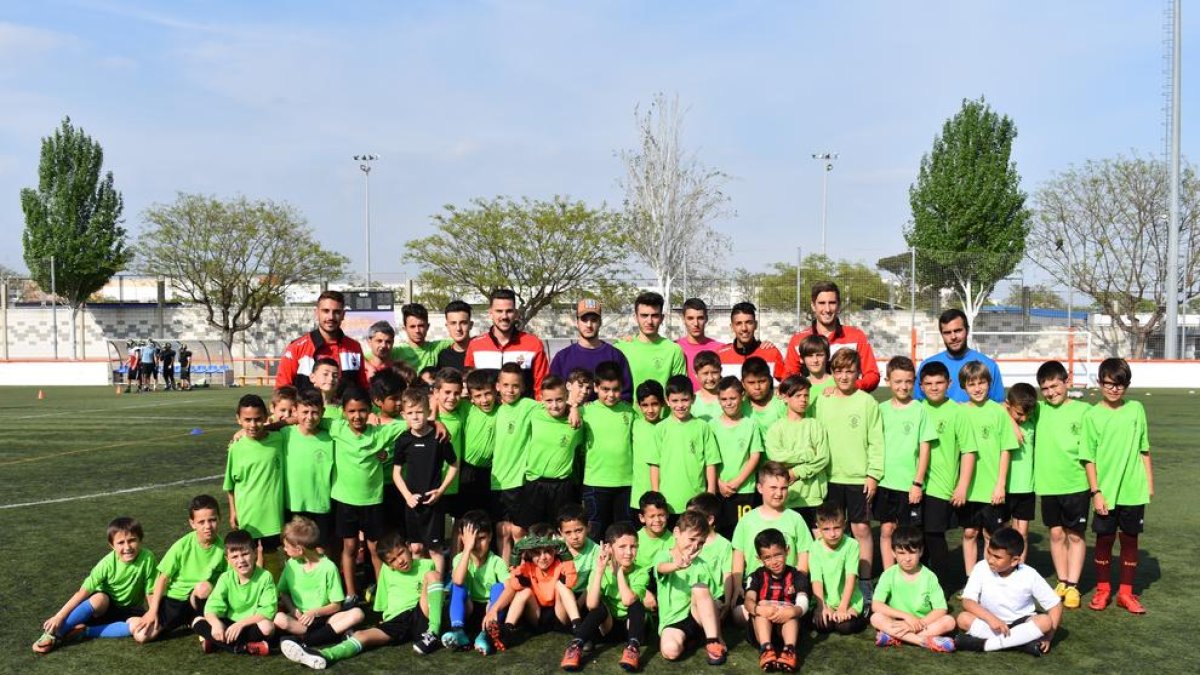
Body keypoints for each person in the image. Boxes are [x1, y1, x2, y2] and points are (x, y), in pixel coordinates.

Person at [280, 532, 446, 667]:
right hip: (397, 620)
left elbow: (434, 592)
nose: (400, 561)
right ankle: (324, 655)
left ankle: (432, 633)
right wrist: (384, 620)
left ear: (408, 548)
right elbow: (382, 603)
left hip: (420, 613)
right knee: (362, 635)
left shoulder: (426, 565)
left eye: (401, 553)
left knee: (433, 575)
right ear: (387, 565)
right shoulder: (387, 573)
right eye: (393, 560)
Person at [1083, 357, 1153, 614]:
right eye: (1109, 384)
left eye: (1119, 385)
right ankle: (1103, 590)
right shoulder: (1092, 415)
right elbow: (1088, 457)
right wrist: (1096, 492)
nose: (1114, 389)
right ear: (1100, 383)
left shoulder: (1136, 409)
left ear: (1127, 385)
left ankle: (1126, 593)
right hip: (1106, 492)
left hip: (1133, 490)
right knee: (1104, 540)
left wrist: (1149, 484)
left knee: (1130, 541)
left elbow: (1144, 449)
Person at [327, 387, 408, 604]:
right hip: (345, 501)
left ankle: (383, 592)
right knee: (350, 548)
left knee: (374, 548)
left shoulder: (380, 433)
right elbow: (305, 419)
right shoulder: (336, 428)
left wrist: (436, 423)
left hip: (372, 500)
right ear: (343, 412)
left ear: (370, 410)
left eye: (362, 410)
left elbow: (413, 422)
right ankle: (351, 593)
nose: (357, 416)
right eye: (351, 411)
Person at [813, 348, 882, 600]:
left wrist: (873, 474)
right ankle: (832, 580)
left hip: (857, 478)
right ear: (832, 373)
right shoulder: (823, 399)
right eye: (839, 371)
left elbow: (876, 441)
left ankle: (864, 581)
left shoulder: (867, 402)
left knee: (861, 529)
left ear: (858, 373)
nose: (844, 376)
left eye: (849, 371)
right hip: (828, 477)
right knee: (827, 531)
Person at [32, 517, 157, 652]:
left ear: (140, 539)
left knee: (143, 633)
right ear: (112, 545)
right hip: (104, 610)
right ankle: (55, 633)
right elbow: (82, 592)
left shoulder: (148, 558)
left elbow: (150, 592)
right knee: (99, 598)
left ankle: (86, 631)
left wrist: (153, 614)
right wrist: (59, 616)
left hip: (131, 611)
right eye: (121, 542)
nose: (127, 547)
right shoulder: (106, 564)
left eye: (132, 540)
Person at [1032, 360, 1091, 609]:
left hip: (1076, 483)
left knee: (1075, 535)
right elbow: (1009, 408)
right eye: (1044, 388)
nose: (1050, 393)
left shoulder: (1085, 410)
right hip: (1048, 484)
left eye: (1055, 386)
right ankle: (1062, 581)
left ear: (1067, 382)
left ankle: (1074, 586)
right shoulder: (1037, 409)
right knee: (1056, 534)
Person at [559, 522, 652, 672]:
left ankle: (633, 648)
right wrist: (600, 570)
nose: (629, 552)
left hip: (633, 627)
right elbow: (591, 604)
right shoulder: (600, 570)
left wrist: (619, 573)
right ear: (609, 548)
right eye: (622, 547)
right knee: (599, 608)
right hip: (609, 627)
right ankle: (576, 646)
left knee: (636, 605)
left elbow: (628, 600)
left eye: (633, 546)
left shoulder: (641, 572)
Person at [954, 527, 1062, 656]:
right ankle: (1022, 643)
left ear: (1014, 560)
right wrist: (991, 619)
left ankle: (985, 645)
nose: (990, 559)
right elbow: (968, 601)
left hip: (1022, 623)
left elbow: (1055, 605)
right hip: (991, 624)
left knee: (1045, 622)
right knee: (963, 619)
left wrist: (1048, 637)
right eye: (989, 553)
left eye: (997, 557)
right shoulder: (981, 567)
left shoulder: (1029, 574)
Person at [917, 361, 976, 593]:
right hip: (916, 485)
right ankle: (921, 582)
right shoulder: (918, 408)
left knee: (934, 535)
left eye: (939, 382)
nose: (934, 387)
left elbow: (969, 451)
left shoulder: (957, 412)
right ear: (921, 386)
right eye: (928, 383)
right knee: (918, 534)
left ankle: (941, 586)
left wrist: (962, 486)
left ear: (949, 384)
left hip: (940, 487)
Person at [134, 495, 226, 643]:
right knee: (141, 636)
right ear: (192, 523)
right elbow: (162, 578)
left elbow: (230, 580)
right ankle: (193, 620)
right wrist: (152, 611)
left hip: (201, 599)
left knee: (203, 587)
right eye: (201, 522)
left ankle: (203, 623)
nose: (207, 526)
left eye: (212, 520)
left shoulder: (224, 549)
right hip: (176, 601)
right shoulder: (182, 545)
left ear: (219, 519)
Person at [731, 462, 814, 621]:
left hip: (787, 586)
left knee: (791, 615)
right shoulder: (746, 521)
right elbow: (738, 556)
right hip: (757, 587)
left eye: (783, 488)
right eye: (773, 488)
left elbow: (804, 554)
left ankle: (778, 617)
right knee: (738, 615)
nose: (779, 493)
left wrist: (798, 582)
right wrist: (737, 587)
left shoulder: (795, 519)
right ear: (760, 488)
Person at [958, 361, 1018, 579]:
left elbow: (1006, 450)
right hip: (968, 488)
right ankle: (970, 578)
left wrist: (1000, 484)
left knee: (991, 534)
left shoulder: (999, 412)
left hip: (992, 487)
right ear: (964, 386)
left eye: (981, 382)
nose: (977, 388)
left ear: (989, 383)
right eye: (971, 383)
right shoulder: (959, 411)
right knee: (969, 532)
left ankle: (988, 580)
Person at [875, 357, 937, 570]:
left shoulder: (920, 409)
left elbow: (925, 448)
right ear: (888, 381)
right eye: (898, 381)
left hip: (909, 486)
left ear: (914, 382)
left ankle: (911, 575)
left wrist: (917, 482)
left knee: (910, 535)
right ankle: (888, 574)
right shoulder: (880, 409)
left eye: (908, 381)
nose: (903, 386)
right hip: (884, 482)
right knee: (886, 530)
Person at [392, 386, 458, 574]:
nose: (415, 417)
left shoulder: (439, 437)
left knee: (435, 549)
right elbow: (396, 472)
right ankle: (420, 585)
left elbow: (454, 465)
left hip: (433, 503)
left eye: (420, 412)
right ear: (404, 415)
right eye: (411, 413)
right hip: (412, 503)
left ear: (429, 412)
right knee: (416, 548)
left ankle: (438, 588)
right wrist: (407, 496)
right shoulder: (403, 440)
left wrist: (441, 490)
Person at [484, 525, 581, 650]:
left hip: (559, 616)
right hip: (537, 616)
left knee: (561, 585)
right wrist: (516, 560)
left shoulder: (559, 565)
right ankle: (507, 630)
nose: (543, 557)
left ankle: (578, 626)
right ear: (530, 552)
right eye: (537, 553)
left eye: (547, 551)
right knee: (524, 591)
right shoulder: (528, 567)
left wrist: (566, 554)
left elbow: (570, 582)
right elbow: (514, 585)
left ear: (555, 550)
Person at [273, 516, 364, 647]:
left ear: (299, 549)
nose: (284, 550)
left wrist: (314, 613)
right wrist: (293, 610)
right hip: (301, 621)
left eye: (286, 546)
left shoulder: (328, 567)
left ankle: (306, 640)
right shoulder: (291, 565)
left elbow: (336, 605)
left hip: (326, 618)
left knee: (357, 614)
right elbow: (283, 592)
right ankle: (328, 635)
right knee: (279, 618)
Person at [224, 394, 285, 576]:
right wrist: (233, 511)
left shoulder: (279, 439)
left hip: (273, 515)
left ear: (266, 417)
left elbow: (293, 421)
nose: (252, 425)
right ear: (238, 419)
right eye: (247, 420)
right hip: (248, 515)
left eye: (258, 419)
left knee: (272, 557)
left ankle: (273, 597)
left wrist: (274, 425)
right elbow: (230, 484)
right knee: (246, 559)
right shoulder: (236, 448)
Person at [654, 511, 727, 665]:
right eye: (692, 539)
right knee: (670, 651)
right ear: (676, 533)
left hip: (698, 618)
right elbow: (661, 568)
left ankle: (712, 640)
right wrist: (677, 565)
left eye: (700, 543)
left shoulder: (702, 564)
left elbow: (712, 599)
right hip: (673, 620)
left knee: (699, 588)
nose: (695, 546)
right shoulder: (663, 556)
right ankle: (693, 640)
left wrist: (719, 635)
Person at [870, 525, 956, 652]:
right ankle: (923, 641)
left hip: (922, 624)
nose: (907, 558)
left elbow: (941, 609)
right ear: (893, 552)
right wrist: (906, 617)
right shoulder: (889, 574)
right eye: (901, 553)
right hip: (897, 622)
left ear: (921, 551)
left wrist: (916, 625)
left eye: (912, 552)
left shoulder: (929, 576)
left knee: (949, 621)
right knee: (875, 617)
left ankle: (894, 637)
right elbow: (876, 605)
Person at [191, 529, 277, 656]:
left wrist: (241, 624)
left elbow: (268, 610)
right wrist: (215, 624)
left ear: (255, 554)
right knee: (197, 621)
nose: (241, 560)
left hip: (250, 624)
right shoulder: (225, 578)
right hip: (229, 625)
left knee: (267, 627)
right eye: (235, 557)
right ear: (228, 560)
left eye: (245, 554)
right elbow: (212, 606)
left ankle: (216, 642)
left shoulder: (265, 577)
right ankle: (245, 648)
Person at [783, 281, 879, 391]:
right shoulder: (798, 340)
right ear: (813, 306)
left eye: (832, 303)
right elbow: (789, 377)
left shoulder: (856, 337)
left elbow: (872, 375)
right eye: (822, 303)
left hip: (846, 404)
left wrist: (850, 387)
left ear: (838, 306)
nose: (827, 309)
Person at [517, 377, 584, 531]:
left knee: (560, 532)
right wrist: (573, 406)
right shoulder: (534, 414)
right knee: (532, 531)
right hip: (535, 483)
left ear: (566, 397)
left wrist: (573, 408)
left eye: (559, 400)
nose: (554, 405)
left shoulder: (576, 422)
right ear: (541, 400)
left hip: (562, 486)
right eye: (549, 401)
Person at [579, 361, 636, 541]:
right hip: (596, 483)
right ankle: (596, 568)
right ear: (595, 387)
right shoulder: (585, 412)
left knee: (623, 533)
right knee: (595, 531)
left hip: (625, 483)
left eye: (616, 389)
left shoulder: (630, 412)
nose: (611, 395)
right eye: (605, 389)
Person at [648, 375, 719, 517]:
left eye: (684, 400)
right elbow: (654, 465)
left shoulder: (702, 427)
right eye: (675, 400)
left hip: (696, 502)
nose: (680, 405)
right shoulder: (660, 428)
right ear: (667, 401)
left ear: (693, 399)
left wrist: (710, 492)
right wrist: (657, 495)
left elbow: (711, 463)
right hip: (668, 501)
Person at [764, 376, 830, 524]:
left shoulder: (815, 425)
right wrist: (806, 454)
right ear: (785, 398)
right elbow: (776, 456)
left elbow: (823, 458)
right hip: (788, 497)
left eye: (806, 395)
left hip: (813, 496)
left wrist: (796, 472)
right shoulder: (776, 428)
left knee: (817, 541)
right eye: (798, 396)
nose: (803, 400)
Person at [443, 511, 510, 653]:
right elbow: (458, 580)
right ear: (463, 539)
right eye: (472, 540)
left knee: (499, 587)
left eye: (481, 538)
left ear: (491, 536)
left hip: (490, 613)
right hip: (468, 610)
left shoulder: (497, 562)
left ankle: (485, 636)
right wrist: (466, 549)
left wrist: (493, 610)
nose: (476, 544)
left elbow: (510, 589)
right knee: (457, 585)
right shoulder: (460, 559)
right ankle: (459, 632)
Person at [492, 362, 539, 562]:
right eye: (506, 385)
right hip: (496, 481)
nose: (510, 390)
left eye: (515, 386)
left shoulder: (528, 406)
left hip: (519, 480)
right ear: (497, 386)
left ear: (523, 387)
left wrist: (572, 408)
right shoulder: (492, 408)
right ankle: (505, 572)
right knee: (502, 530)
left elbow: (554, 404)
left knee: (519, 531)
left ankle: (523, 568)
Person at [743, 528, 809, 672]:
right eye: (767, 557)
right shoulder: (756, 576)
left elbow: (803, 602)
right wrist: (759, 609)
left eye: (778, 555)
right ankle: (766, 649)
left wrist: (792, 612)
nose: (774, 562)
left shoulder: (797, 575)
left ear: (787, 550)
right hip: (761, 630)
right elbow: (748, 600)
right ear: (759, 559)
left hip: (787, 629)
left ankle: (789, 650)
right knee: (760, 607)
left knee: (792, 612)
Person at [277, 290, 368, 391]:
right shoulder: (296, 348)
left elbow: (363, 388)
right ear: (317, 313)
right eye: (326, 311)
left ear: (343, 315)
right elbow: (282, 391)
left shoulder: (354, 348)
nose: (331, 317)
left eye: (336, 312)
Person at [465, 288, 549, 398]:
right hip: (488, 413)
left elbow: (542, 386)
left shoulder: (534, 344)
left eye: (509, 311)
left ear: (516, 313)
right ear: (490, 313)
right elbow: (470, 387)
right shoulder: (475, 345)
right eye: (499, 311)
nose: (504, 316)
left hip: (523, 413)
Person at [710, 376, 764, 538]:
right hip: (719, 490)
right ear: (718, 400)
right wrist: (718, 483)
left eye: (733, 398)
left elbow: (754, 456)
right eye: (724, 399)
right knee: (719, 534)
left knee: (742, 534)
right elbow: (709, 460)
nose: (729, 403)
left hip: (743, 490)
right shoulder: (711, 426)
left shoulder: (751, 425)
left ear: (742, 396)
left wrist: (737, 482)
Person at [550, 299, 634, 401]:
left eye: (594, 320)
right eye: (584, 319)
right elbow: (553, 394)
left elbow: (626, 394)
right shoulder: (562, 358)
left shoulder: (615, 356)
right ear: (577, 322)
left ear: (600, 322)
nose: (589, 325)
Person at [914, 309, 1003, 403]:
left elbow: (998, 404)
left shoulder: (989, 365)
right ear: (942, 334)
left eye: (958, 331)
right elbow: (918, 404)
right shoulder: (927, 365)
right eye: (947, 333)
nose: (953, 337)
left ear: (967, 330)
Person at [808, 502, 866, 635]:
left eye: (837, 527)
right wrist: (822, 607)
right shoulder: (815, 547)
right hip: (826, 600)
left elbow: (850, 578)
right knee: (824, 626)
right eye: (826, 529)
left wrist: (843, 608)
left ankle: (862, 616)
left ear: (844, 524)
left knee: (844, 627)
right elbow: (816, 580)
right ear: (818, 528)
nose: (832, 534)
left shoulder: (852, 545)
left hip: (849, 600)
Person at [616, 291, 686, 393]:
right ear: (636, 317)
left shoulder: (673, 350)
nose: (649, 321)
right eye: (644, 315)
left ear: (662, 318)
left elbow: (679, 391)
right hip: (628, 409)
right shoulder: (621, 348)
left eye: (654, 316)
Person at [457, 369, 498, 516]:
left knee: (486, 514)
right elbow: (435, 398)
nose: (484, 400)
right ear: (471, 397)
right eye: (478, 396)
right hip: (467, 470)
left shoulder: (503, 410)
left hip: (490, 472)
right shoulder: (466, 408)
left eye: (487, 394)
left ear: (495, 391)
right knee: (464, 515)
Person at [1003, 383, 1038, 547]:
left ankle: (1019, 569)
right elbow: (995, 406)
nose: (1023, 418)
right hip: (1002, 488)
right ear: (1008, 405)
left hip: (1026, 487)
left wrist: (1014, 420)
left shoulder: (1033, 419)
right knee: (999, 533)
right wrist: (1011, 422)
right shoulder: (1001, 418)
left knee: (1021, 534)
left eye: (1027, 414)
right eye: (1019, 414)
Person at [718, 302, 785, 381]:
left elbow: (786, 386)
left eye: (749, 323)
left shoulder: (772, 353)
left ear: (755, 325)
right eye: (739, 323)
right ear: (732, 327)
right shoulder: (721, 356)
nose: (744, 328)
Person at [629, 380, 665, 511]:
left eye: (655, 404)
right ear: (638, 405)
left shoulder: (668, 426)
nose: (650, 410)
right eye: (645, 405)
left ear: (663, 402)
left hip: (665, 494)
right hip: (639, 495)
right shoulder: (634, 425)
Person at [677, 297, 725, 389]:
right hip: (684, 402)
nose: (696, 323)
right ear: (683, 319)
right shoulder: (675, 347)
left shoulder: (720, 348)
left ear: (706, 319)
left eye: (700, 318)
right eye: (690, 318)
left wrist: (761, 346)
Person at [394, 303, 452, 372]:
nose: (417, 331)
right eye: (412, 326)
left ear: (427, 326)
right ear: (405, 329)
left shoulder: (437, 347)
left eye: (421, 326)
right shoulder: (396, 352)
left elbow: (462, 340)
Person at [559, 505, 600, 600]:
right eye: (568, 532)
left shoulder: (596, 550)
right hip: (561, 596)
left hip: (585, 595)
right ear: (560, 532)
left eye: (578, 530)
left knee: (600, 611)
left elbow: (592, 583)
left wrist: (579, 604)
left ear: (588, 527)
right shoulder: (556, 549)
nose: (574, 537)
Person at [742, 357, 787, 429]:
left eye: (762, 381)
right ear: (743, 383)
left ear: (770, 380)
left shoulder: (782, 402)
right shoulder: (739, 405)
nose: (757, 387)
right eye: (751, 383)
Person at [633, 491, 674, 568]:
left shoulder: (674, 541)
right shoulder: (635, 539)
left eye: (661, 515)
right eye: (652, 516)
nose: (657, 520)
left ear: (667, 514)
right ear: (642, 518)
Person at [436, 300, 475, 372]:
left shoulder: (480, 352)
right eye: (453, 323)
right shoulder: (443, 356)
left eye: (463, 323)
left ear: (471, 325)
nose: (458, 328)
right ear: (447, 326)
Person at [691, 350, 724, 422]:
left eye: (714, 372)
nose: (710, 378)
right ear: (695, 374)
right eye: (705, 373)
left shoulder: (727, 399)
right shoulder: (691, 401)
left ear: (720, 371)